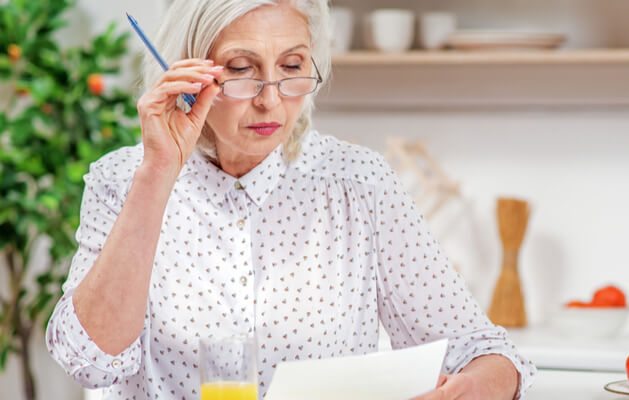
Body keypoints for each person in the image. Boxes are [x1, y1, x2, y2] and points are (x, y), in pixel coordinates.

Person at [45, 0, 536, 399]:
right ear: (189, 74)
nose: (270, 99)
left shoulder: (357, 181)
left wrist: (471, 389)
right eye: (241, 69)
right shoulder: (123, 179)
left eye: (293, 66)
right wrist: (157, 172)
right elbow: (89, 360)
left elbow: (485, 350)